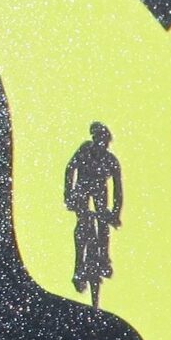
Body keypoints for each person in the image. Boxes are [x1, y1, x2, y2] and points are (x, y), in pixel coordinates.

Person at [64, 123, 123, 307]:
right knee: (82, 224)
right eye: (99, 141)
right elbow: (70, 169)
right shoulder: (85, 150)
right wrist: (68, 195)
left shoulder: (111, 160)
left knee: (103, 225)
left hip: (99, 195)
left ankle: (103, 258)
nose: (101, 145)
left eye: (104, 142)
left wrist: (114, 212)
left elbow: (117, 189)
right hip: (82, 191)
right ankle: (79, 265)